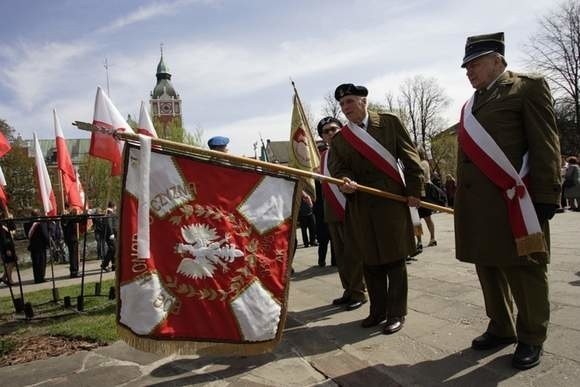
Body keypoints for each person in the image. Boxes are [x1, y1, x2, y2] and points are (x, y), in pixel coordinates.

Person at [456, 32, 561, 370]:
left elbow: (545, 143)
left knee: (525, 270)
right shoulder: (472, 104)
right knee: (488, 267)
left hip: (516, 202)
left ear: (498, 60)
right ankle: (501, 326)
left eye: (475, 63)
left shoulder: (527, 87)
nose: (469, 71)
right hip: (479, 208)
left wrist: (547, 195)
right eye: (466, 66)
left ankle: (532, 335)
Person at [329, 84, 423, 334]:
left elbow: (410, 157)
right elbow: (338, 168)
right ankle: (377, 311)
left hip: (391, 202)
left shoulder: (389, 123)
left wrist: (414, 192)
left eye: (349, 101)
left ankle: (396, 313)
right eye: (342, 105)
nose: (345, 108)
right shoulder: (341, 139)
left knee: (394, 260)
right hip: (361, 205)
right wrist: (345, 182)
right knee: (370, 261)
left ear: (364, 101)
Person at [318, 116, 367, 310]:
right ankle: (348, 289)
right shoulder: (323, 156)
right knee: (340, 254)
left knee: (353, 253)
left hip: (349, 207)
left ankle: (359, 291)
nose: (330, 133)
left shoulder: (350, 150)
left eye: (333, 129)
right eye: (326, 131)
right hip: (332, 210)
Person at [416, 147, 437, 249]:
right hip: (416, 192)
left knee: (427, 217)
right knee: (416, 219)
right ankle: (419, 241)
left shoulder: (423, 162)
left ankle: (432, 238)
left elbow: (420, 174)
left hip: (424, 192)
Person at [24, 209, 50, 284]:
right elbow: (45, 234)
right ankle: (41, 277)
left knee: (35, 263)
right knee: (41, 262)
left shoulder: (27, 224)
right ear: (39, 215)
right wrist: (49, 243)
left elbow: (27, 235)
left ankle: (37, 278)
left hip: (33, 246)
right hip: (41, 246)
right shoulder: (40, 223)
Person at [313, 175, 335, 267]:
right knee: (328, 241)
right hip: (325, 216)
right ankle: (332, 261)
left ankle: (322, 261)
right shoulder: (324, 184)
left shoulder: (319, 184)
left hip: (324, 216)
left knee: (325, 241)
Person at [0, 206, 18, 285]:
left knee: (13, 262)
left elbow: (14, 229)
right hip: (6, 246)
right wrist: (7, 249)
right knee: (11, 262)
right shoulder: (1, 225)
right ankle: (9, 279)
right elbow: (3, 238)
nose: (10, 214)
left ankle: (4, 278)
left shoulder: (7, 223)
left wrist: (11, 220)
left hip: (10, 244)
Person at [61, 205, 80, 278]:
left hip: (72, 238)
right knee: (73, 255)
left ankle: (75, 270)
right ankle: (74, 271)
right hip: (71, 238)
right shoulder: (65, 217)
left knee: (74, 254)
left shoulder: (68, 217)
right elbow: (73, 219)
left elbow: (77, 219)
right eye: (70, 207)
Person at [101, 202, 118, 271]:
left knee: (114, 249)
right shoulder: (108, 213)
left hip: (111, 234)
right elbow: (109, 223)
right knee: (112, 249)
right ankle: (104, 264)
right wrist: (111, 233)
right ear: (113, 206)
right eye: (115, 207)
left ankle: (114, 265)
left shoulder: (110, 213)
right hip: (110, 235)